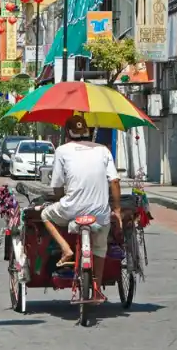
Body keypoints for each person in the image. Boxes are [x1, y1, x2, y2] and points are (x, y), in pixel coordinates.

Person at [41, 114, 122, 300]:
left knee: (45, 214)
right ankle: (97, 290)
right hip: (100, 212)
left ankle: (66, 249)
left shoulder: (62, 151)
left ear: (67, 133)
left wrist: (61, 200)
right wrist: (117, 211)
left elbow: (57, 186)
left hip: (71, 209)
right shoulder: (103, 150)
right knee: (100, 247)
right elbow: (115, 182)